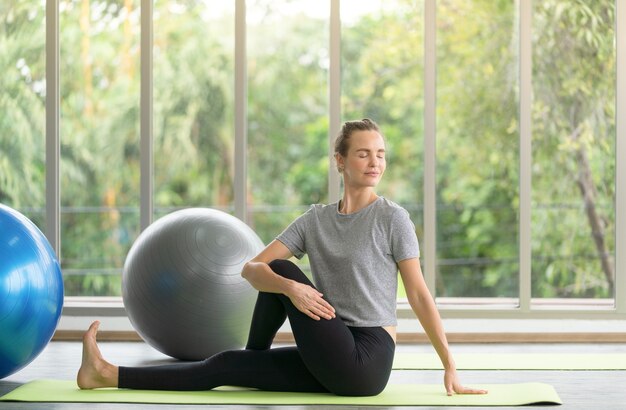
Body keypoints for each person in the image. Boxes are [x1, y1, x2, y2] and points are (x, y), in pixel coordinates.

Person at [77, 118, 487, 397]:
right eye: (363, 153)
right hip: (330, 350)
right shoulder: (315, 220)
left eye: (380, 153)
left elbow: (417, 294)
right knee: (224, 364)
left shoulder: (392, 218)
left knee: (281, 269)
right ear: (340, 162)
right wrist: (290, 288)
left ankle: (253, 357)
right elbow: (251, 268)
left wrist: (449, 364)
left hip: (366, 357)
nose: (374, 161)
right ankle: (106, 375)